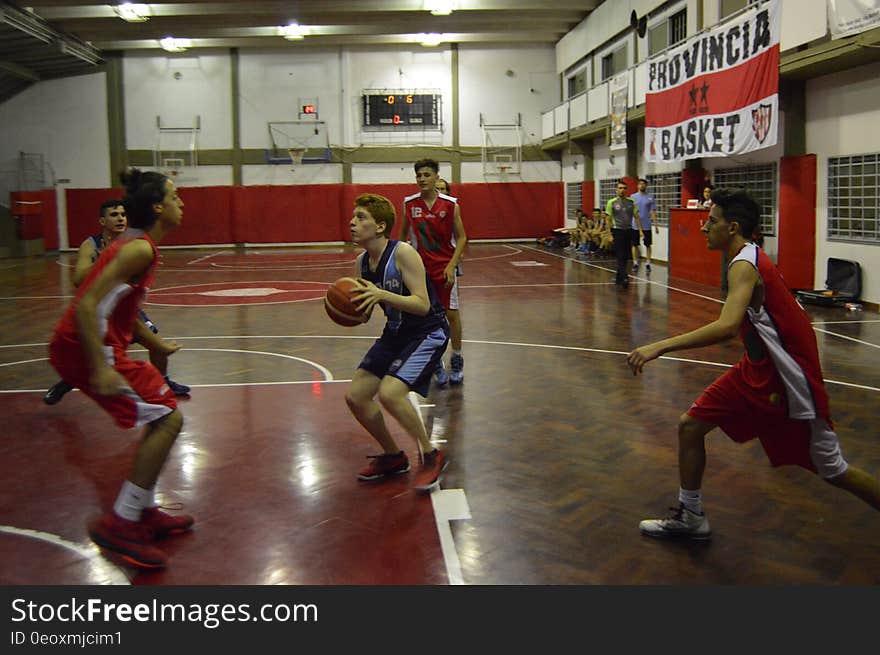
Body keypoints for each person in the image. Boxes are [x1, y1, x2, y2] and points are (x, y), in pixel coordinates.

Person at [627, 188, 880, 539]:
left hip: (789, 381)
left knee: (833, 469)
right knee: (690, 426)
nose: (703, 228)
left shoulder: (745, 265)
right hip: (755, 371)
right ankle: (691, 516)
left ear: (732, 228)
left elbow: (727, 326)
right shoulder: (746, 258)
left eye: (711, 222)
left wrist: (661, 345)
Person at [48, 168, 192, 569]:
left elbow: (118, 308)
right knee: (167, 419)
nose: (182, 203)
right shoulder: (138, 249)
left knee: (164, 413)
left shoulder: (139, 244)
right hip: (84, 348)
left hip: (101, 345)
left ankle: (141, 508)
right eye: (176, 196)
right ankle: (123, 521)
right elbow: (87, 303)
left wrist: (154, 342)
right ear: (159, 206)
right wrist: (99, 368)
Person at [344, 193, 450, 492]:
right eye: (353, 217)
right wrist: (350, 310)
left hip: (427, 331)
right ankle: (393, 456)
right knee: (356, 396)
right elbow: (365, 313)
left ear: (380, 226)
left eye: (360, 217)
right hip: (395, 332)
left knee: (390, 393)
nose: (352, 223)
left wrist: (382, 295)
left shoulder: (403, 253)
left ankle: (431, 454)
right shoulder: (361, 263)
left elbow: (423, 304)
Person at [44, 200, 190, 405]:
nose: (120, 218)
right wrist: (106, 259)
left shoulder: (132, 243)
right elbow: (78, 279)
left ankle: (164, 382)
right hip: (98, 308)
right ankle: (67, 382)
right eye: (114, 215)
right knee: (90, 354)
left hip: (123, 308)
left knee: (155, 340)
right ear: (102, 221)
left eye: (123, 214)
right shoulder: (91, 245)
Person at [399, 159, 468, 385]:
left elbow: (462, 237)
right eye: (419, 175)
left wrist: (451, 265)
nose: (422, 179)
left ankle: (456, 357)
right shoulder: (409, 204)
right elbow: (402, 238)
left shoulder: (450, 204)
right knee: (426, 317)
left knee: (451, 314)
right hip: (420, 270)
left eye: (427, 175)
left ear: (437, 177)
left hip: (445, 268)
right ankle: (435, 361)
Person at [606, 180, 642, 289]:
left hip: (629, 230)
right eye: (620, 188)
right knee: (620, 254)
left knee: (626, 255)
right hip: (617, 231)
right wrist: (609, 234)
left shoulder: (631, 202)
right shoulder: (611, 202)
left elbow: (636, 216)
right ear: (616, 190)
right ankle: (625, 277)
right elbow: (607, 219)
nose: (622, 190)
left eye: (624, 188)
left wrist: (640, 230)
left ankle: (618, 276)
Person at [630, 178, 659, 274]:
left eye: (644, 184)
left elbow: (652, 211)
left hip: (647, 225)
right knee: (634, 244)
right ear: (637, 186)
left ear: (646, 186)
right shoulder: (632, 197)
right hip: (635, 225)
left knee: (648, 244)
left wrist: (656, 225)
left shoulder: (650, 197)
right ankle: (635, 263)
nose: (642, 185)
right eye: (640, 184)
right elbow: (631, 211)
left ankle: (648, 263)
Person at [436, 178, 463, 278]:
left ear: (447, 191)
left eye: (442, 189)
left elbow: (460, 234)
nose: (439, 191)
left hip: (448, 251)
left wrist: (460, 251)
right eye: (437, 188)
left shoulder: (452, 206)